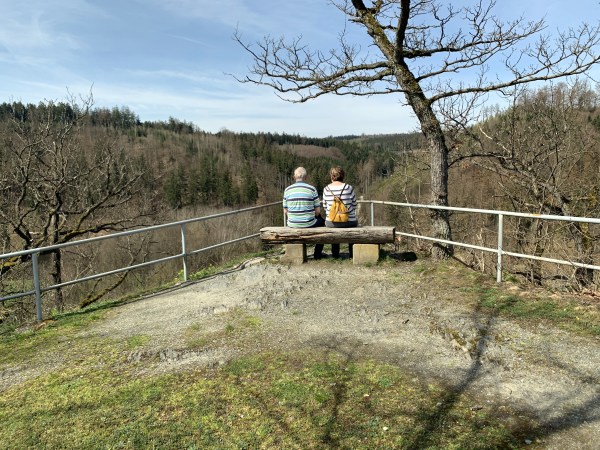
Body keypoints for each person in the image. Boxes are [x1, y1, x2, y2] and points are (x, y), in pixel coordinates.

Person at [283, 167, 325, 259]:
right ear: (306, 177)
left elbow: (285, 211)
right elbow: (318, 211)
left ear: (294, 177)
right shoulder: (312, 189)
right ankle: (317, 254)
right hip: (309, 223)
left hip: (292, 224)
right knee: (322, 222)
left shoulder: (287, 190)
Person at [322, 166, 358, 258]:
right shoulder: (349, 188)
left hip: (331, 222)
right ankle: (352, 253)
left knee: (334, 223)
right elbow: (354, 205)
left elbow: (325, 207)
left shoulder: (326, 189)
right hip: (349, 222)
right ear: (343, 176)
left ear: (332, 177)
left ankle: (335, 253)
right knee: (353, 224)